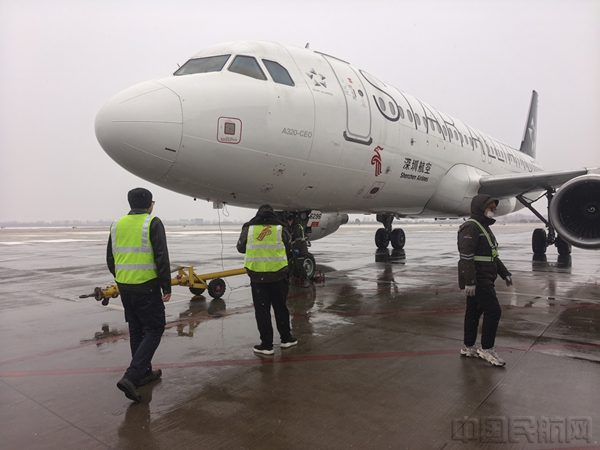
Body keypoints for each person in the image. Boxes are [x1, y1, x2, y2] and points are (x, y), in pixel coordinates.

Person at [107, 188, 172, 402]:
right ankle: (132, 376)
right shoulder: (152, 222)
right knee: (154, 329)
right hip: (147, 287)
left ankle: (144, 373)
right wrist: (166, 286)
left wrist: (122, 279)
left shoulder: (117, 224)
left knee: (136, 330)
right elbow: (161, 257)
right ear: (149, 204)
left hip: (125, 288)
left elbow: (110, 258)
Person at [457, 194, 512, 367]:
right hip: (479, 278)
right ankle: (487, 349)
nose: (493, 211)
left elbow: (492, 255)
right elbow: (466, 256)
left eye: (494, 209)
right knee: (493, 311)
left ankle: (468, 346)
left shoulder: (483, 226)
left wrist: (504, 273)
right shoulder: (471, 227)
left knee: (473, 312)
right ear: (481, 208)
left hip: (485, 276)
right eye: (491, 208)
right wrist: (470, 281)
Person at [237, 205, 298, 355]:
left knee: (262, 311)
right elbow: (288, 247)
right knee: (281, 308)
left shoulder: (249, 228)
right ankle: (286, 338)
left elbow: (240, 248)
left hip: (258, 278)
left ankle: (266, 345)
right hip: (278, 276)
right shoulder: (280, 228)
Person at [286, 214, 311, 287]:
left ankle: (306, 280)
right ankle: (293, 280)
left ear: (291, 220)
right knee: (295, 265)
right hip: (298, 249)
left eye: (289, 221)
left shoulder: (296, 227)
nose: (288, 223)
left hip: (300, 250)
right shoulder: (298, 226)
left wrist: (296, 249)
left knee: (299, 266)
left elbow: (298, 239)